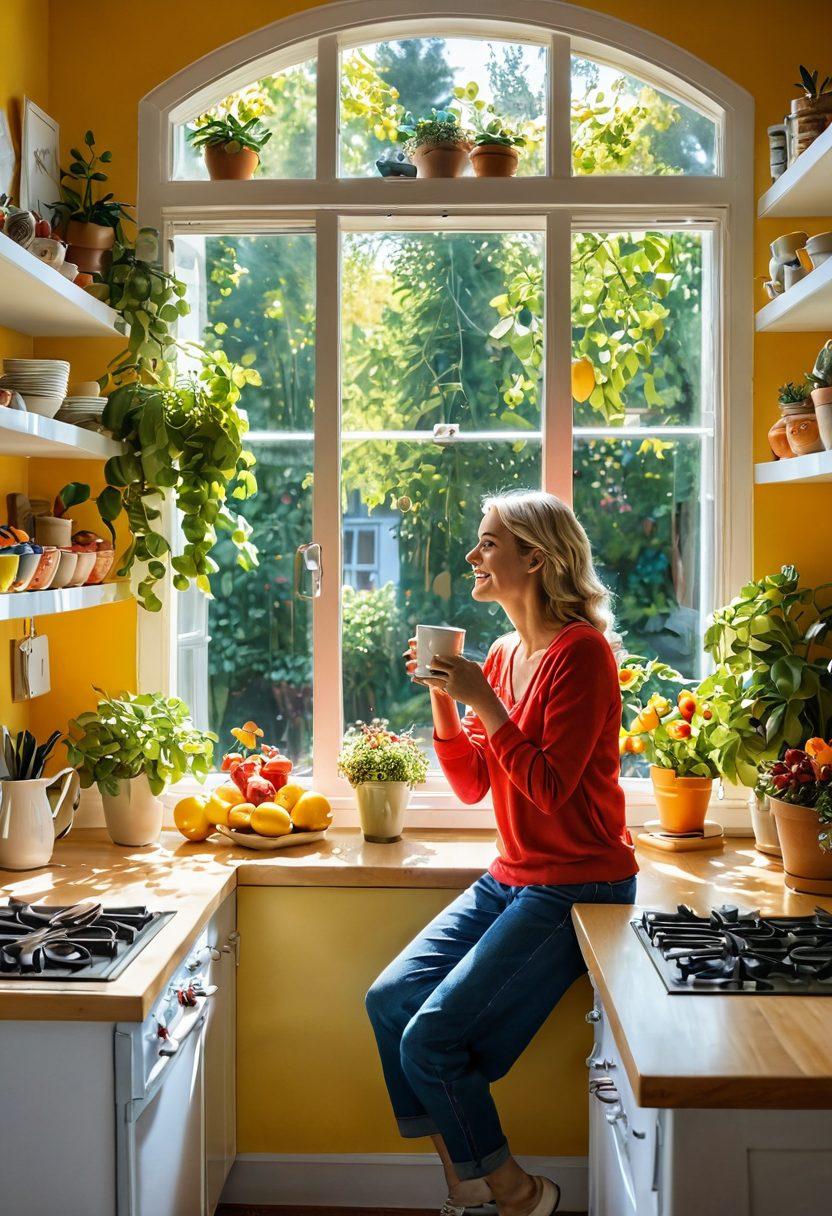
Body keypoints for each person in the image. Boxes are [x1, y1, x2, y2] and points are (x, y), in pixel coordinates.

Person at [364, 490, 639, 1216]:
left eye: (488, 543)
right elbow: (470, 784)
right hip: (516, 876)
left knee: (432, 1041)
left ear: (535, 559)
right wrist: (444, 695)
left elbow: (549, 789)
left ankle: (511, 1192)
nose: (473, 555)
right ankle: (473, 1183)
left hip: (582, 882)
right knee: (390, 1001)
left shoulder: (581, 655)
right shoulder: (505, 653)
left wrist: (483, 699)